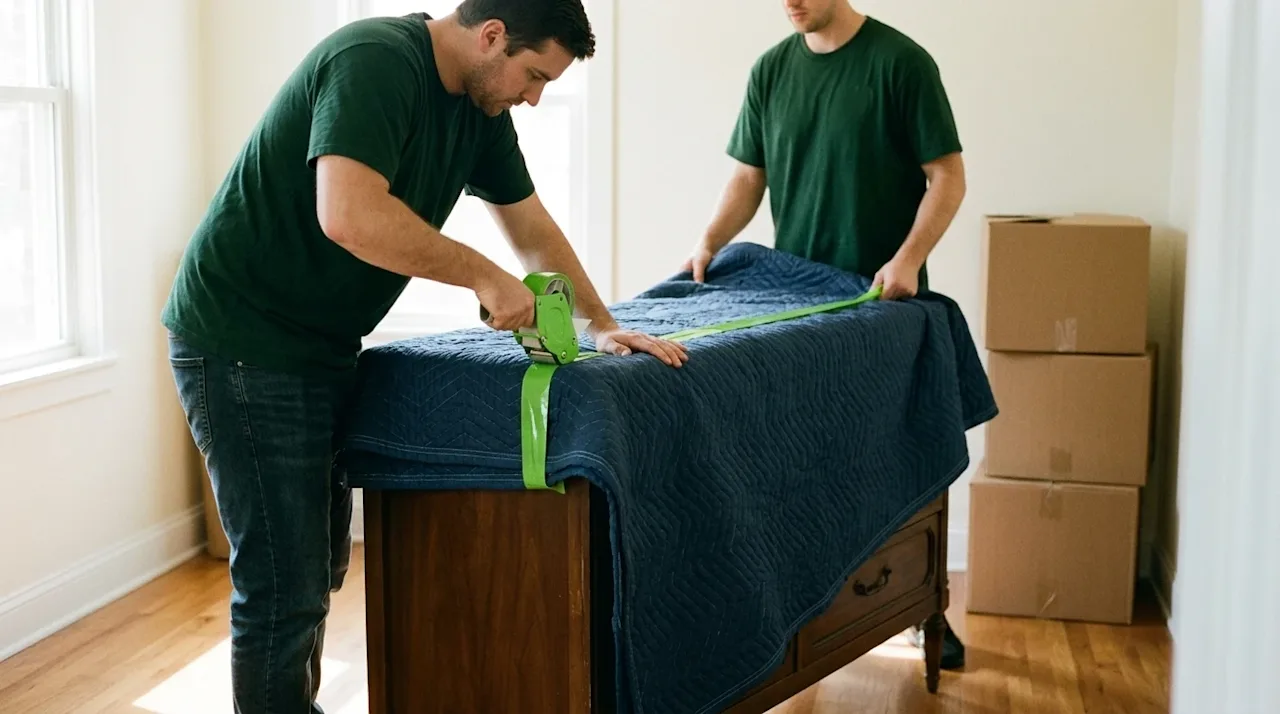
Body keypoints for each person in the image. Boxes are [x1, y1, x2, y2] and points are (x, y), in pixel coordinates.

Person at [161, 2, 687, 711]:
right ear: (492, 36)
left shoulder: (481, 110)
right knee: (282, 588)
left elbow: (531, 228)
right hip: (241, 341)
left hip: (317, 346)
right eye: (533, 76)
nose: (533, 98)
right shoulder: (374, 59)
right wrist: (480, 274)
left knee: (315, 570)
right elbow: (347, 213)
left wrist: (599, 324)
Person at [681, 0, 968, 669]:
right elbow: (749, 176)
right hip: (799, 305)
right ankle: (806, 613)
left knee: (902, 454)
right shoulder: (771, 71)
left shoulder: (902, 64)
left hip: (882, 304)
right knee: (807, 465)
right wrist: (709, 240)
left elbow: (947, 176)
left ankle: (928, 606)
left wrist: (908, 260)